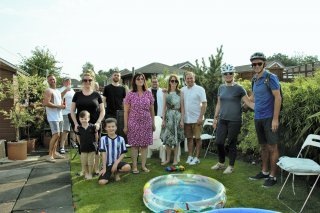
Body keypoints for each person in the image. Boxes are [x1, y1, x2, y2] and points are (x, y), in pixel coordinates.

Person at [211, 64, 254, 174]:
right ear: (223, 75)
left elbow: (248, 102)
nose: (228, 75)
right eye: (226, 73)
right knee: (219, 142)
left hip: (235, 120)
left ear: (233, 74)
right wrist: (215, 118)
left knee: (231, 143)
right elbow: (219, 104)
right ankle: (221, 163)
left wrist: (261, 109)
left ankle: (231, 166)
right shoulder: (221, 88)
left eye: (230, 73)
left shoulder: (239, 88)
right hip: (222, 119)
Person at [248, 52, 281, 187]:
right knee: (263, 147)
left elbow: (278, 98)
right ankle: (264, 172)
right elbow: (254, 98)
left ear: (264, 64)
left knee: (272, 147)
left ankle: (273, 177)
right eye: (254, 64)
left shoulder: (270, 77)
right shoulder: (254, 79)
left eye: (259, 63)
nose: (256, 66)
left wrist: (275, 119)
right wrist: (244, 98)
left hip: (269, 118)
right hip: (258, 117)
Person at [70, 71, 105, 174]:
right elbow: (72, 110)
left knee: (96, 147)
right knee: (82, 147)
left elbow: (103, 110)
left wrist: (98, 122)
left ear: (92, 81)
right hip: (81, 126)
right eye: (85, 80)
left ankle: (96, 169)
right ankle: (83, 170)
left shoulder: (96, 94)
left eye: (89, 80)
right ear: (82, 81)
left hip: (95, 125)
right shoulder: (77, 95)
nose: (87, 82)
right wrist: (76, 123)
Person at [123, 73, 155, 174]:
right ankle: (134, 167)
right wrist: (125, 125)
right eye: (138, 79)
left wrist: (153, 123)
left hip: (146, 122)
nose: (140, 80)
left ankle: (143, 166)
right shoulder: (130, 94)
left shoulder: (148, 93)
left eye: (142, 79)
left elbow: (152, 110)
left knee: (145, 145)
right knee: (134, 145)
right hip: (133, 122)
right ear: (134, 81)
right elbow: (126, 111)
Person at [182, 71, 207, 165]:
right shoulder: (182, 90)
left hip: (197, 119)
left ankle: (197, 158)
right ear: (185, 80)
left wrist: (200, 117)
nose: (189, 80)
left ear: (194, 79)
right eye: (187, 78)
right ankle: (190, 156)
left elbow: (204, 104)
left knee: (197, 138)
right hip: (186, 119)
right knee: (189, 138)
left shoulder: (200, 89)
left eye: (191, 78)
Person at [160, 74, 184, 166]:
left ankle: (175, 160)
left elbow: (182, 108)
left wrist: (182, 120)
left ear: (178, 82)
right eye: (172, 81)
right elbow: (164, 107)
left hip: (177, 117)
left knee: (176, 140)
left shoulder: (180, 93)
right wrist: (163, 120)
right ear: (169, 82)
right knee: (167, 139)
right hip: (168, 116)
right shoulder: (166, 93)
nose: (174, 82)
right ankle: (167, 159)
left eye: (176, 81)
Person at [98, 118, 131, 185]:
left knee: (128, 167)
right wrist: (104, 168)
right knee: (101, 182)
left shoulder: (121, 139)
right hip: (107, 164)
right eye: (109, 127)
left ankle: (116, 173)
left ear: (116, 127)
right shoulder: (103, 139)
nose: (111, 128)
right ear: (105, 128)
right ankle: (109, 173)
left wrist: (116, 163)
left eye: (113, 126)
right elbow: (103, 154)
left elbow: (123, 153)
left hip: (117, 162)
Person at [43, 74, 65, 162]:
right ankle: (49, 155)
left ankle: (54, 153)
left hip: (59, 116)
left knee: (57, 136)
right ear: (48, 81)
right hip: (52, 117)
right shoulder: (48, 90)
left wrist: (61, 106)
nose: (52, 81)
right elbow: (46, 103)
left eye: (53, 79)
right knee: (56, 135)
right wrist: (58, 106)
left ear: (56, 80)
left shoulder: (58, 91)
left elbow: (59, 103)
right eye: (50, 80)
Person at [77, 110, 99, 180]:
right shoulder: (79, 128)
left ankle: (90, 173)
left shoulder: (92, 127)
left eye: (85, 119)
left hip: (92, 147)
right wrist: (80, 144)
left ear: (89, 119)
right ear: (79, 119)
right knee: (84, 161)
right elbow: (78, 137)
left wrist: (96, 142)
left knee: (91, 162)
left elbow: (96, 135)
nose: (83, 120)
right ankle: (86, 173)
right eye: (82, 119)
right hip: (83, 148)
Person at [58, 77, 75, 154]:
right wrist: (65, 90)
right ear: (63, 82)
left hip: (73, 112)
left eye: (69, 81)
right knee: (65, 130)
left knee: (73, 129)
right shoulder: (61, 89)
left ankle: (73, 143)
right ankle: (62, 146)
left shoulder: (72, 90)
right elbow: (59, 97)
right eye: (67, 81)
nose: (68, 82)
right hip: (64, 113)